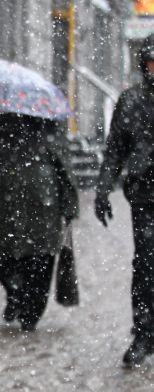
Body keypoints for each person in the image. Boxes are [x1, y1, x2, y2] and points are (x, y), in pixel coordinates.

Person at [0, 112, 79, 331]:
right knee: (2, 258)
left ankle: (30, 312)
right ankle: (17, 296)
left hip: (41, 208)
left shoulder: (49, 130)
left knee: (39, 263)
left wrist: (69, 206)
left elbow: (64, 169)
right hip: (6, 207)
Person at [95, 33, 154, 368]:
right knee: (146, 265)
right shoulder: (131, 101)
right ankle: (144, 332)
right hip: (145, 195)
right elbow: (115, 148)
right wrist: (103, 188)